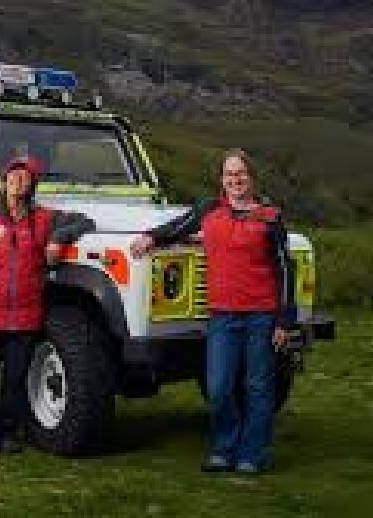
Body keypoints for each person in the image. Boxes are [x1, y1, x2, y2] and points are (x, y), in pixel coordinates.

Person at [131, 148, 295, 474]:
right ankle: (224, 447)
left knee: (258, 387)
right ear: (222, 180)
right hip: (222, 315)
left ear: (251, 178)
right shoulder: (209, 210)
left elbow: (284, 270)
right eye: (229, 174)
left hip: (261, 315)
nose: (235, 179)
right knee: (219, 386)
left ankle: (251, 454)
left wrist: (282, 321)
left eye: (241, 173)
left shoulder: (270, 217)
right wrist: (151, 237)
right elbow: (178, 226)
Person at [0, 156, 95, 458]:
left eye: (25, 178)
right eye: (14, 175)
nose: (18, 181)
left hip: (25, 315)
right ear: (4, 180)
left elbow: (86, 222)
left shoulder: (45, 218)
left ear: (31, 186)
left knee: (15, 380)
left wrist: (59, 238)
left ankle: (8, 433)